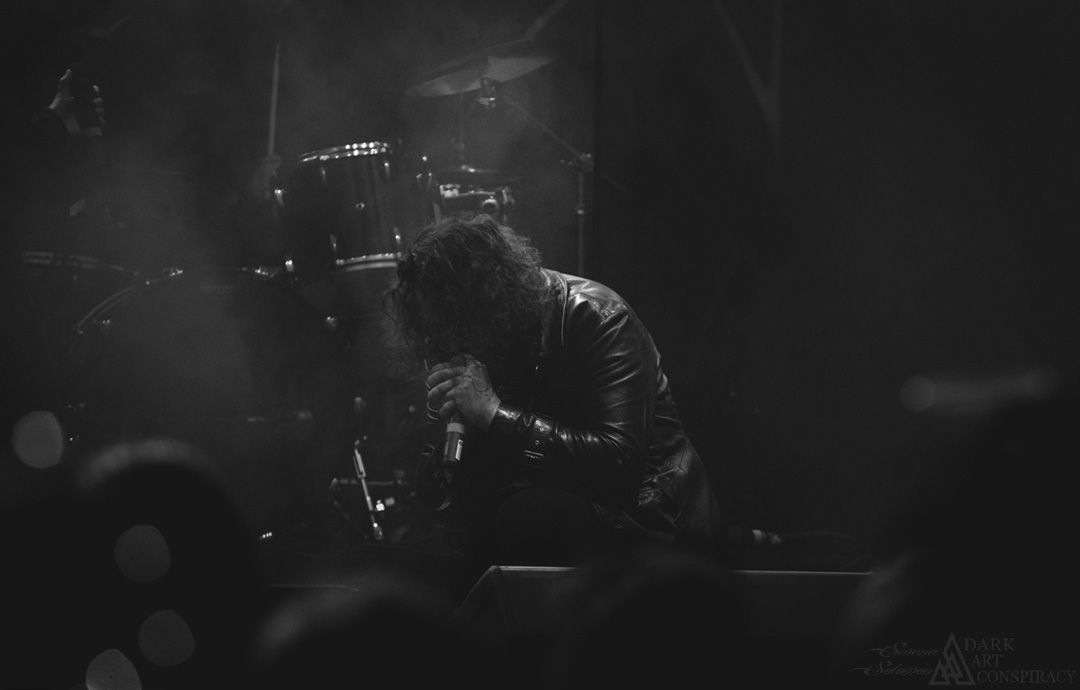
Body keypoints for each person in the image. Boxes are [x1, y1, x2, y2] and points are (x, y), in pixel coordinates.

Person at [384, 213, 729, 588]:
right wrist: (447, 439)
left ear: (483, 301)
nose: (449, 341)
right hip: (546, 520)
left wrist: (495, 415)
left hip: (650, 522)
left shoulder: (598, 316)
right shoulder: (469, 344)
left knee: (528, 514)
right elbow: (445, 507)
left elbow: (618, 467)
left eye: (454, 324)